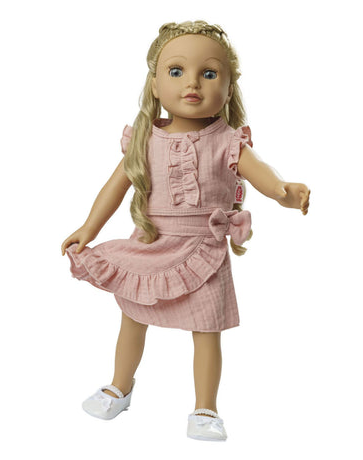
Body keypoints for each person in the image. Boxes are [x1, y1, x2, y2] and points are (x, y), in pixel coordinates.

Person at [61, 20, 310, 442]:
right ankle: (120, 386)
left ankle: (205, 407)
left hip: (204, 251)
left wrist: (285, 192)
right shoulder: (144, 139)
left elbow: (264, 177)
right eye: (176, 71)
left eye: (208, 73)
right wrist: (88, 227)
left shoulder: (228, 140)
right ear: (155, 85)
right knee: (132, 319)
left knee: (207, 331)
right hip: (150, 244)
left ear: (228, 89)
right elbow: (114, 187)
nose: (192, 82)